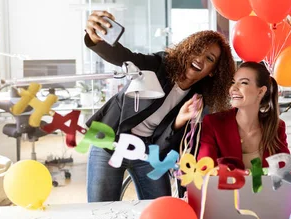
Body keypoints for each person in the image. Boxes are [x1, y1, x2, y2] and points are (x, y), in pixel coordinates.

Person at [84, 11, 235, 202]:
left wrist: (179, 122)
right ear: (188, 50)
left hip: (147, 152)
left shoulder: (198, 101)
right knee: (100, 211)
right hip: (109, 140)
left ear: (213, 72)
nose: (200, 58)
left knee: (161, 206)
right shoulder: (160, 65)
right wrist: (96, 40)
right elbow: (126, 57)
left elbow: (168, 147)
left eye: (210, 59)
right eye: (198, 50)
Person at [175, 61, 291, 200]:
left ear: (261, 91)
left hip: (263, 206)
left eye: (243, 83)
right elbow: (205, 169)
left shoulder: (276, 127)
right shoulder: (213, 124)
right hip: (224, 205)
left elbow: (285, 170)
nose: (233, 88)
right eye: (233, 82)